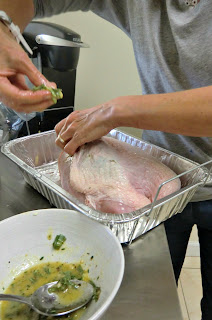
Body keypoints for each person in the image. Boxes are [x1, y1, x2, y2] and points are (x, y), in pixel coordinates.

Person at [0, 1, 211, 319]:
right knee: (152, 294)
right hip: (159, 188)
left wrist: (120, 110)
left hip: (165, 181)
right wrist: (3, 30)